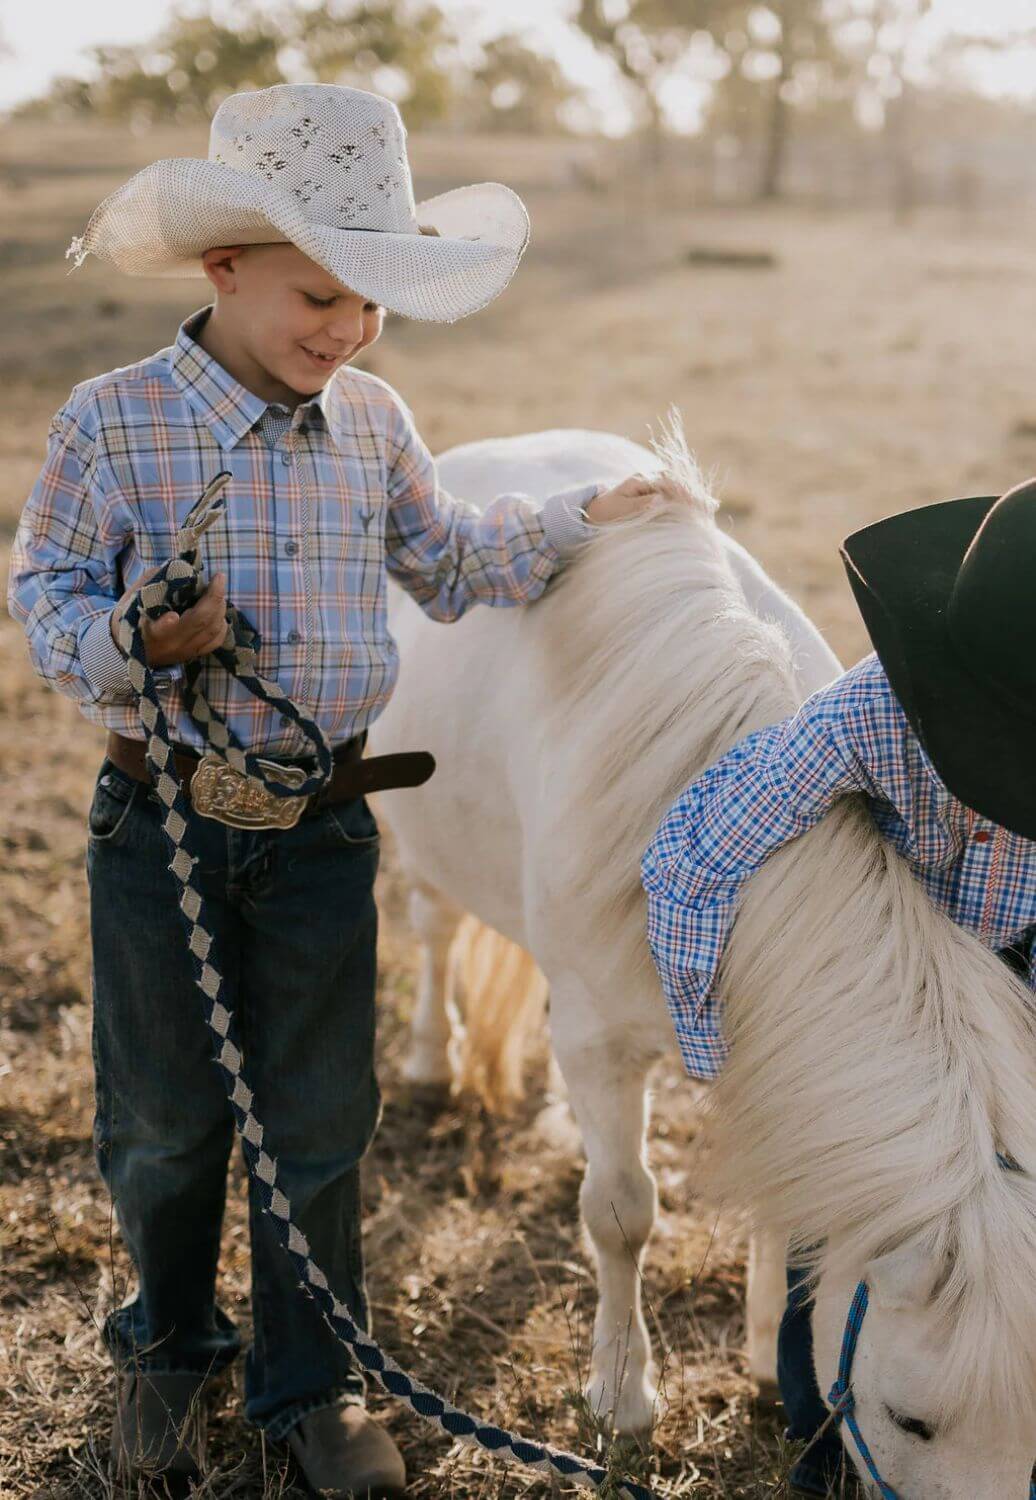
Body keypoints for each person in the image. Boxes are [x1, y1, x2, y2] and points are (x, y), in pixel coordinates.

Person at [7, 82, 658, 1499]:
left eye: (373, 305)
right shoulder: (113, 425)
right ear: (223, 267)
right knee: (165, 1119)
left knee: (317, 1121)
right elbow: (41, 588)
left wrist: (574, 520)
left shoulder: (370, 423)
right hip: (162, 820)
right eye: (321, 295)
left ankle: (312, 1382)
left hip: (317, 830)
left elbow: (448, 558)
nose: (348, 329)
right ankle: (168, 1350)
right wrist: (128, 641)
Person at [640, 476, 1036, 1496]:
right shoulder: (877, 709)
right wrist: (710, 1050)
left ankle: (1006, 1423)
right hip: (908, 978)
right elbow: (695, 849)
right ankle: (821, 1421)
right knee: (855, 1218)